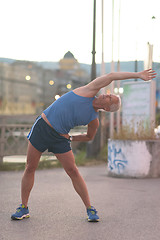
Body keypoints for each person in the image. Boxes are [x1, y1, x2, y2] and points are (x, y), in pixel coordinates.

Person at [11, 69, 156, 222]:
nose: (106, 94)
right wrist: (138, 75)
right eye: (108, 94)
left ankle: (90, 209)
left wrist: (71, 138)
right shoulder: (89, 90)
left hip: (60, 137)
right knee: (30, 167)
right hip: (42, 128)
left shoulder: (93, 119)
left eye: (109, 98)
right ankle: (23, 207)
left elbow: (89, 136)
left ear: (107, 108)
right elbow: (111, 76)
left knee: (73, 170)